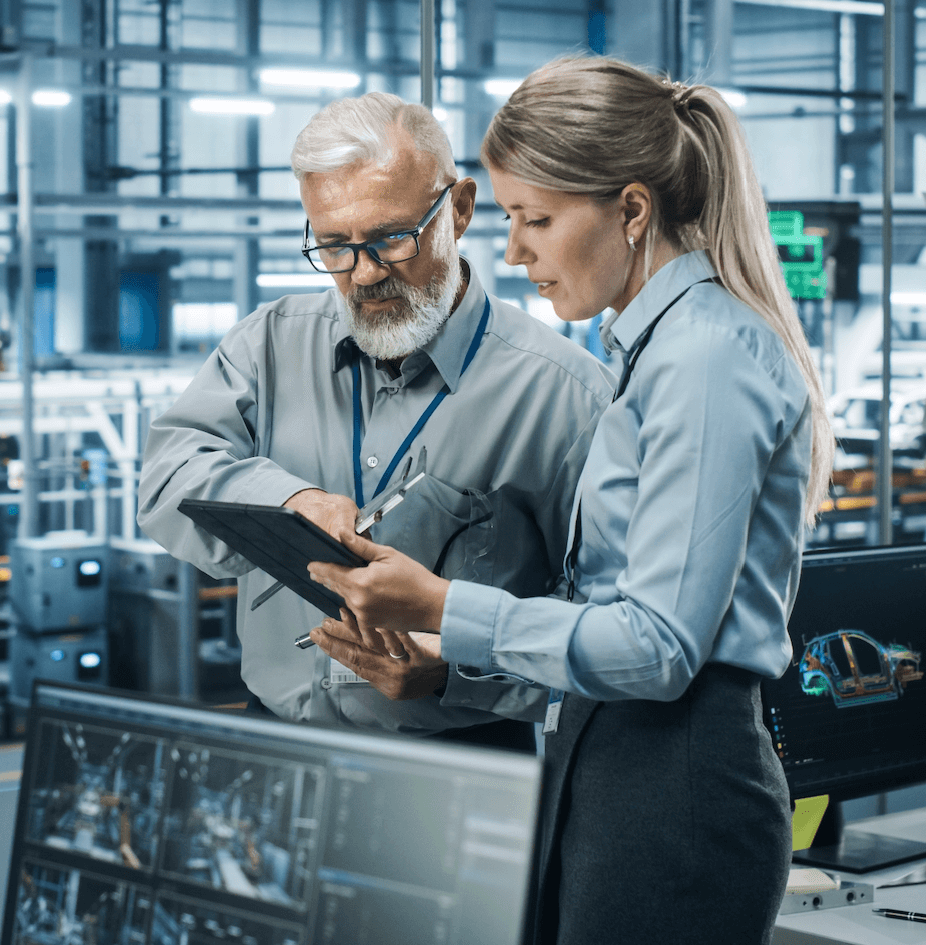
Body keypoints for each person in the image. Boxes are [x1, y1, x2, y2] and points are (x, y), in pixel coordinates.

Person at [306, 55, 832, 945]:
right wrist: (449, 660)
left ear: (630, 209)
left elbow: (660, 647)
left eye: (536, 219)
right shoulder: (653, 351)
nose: (514, 252)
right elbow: (609, 612)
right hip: (617, 762)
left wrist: (442, 603)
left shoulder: (703, 358)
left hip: (677, 786)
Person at [138, 92, 611, 744]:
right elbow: (168, 475)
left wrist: (460, 672)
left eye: (391, 239)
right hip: (276, 737)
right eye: (333, 246)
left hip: (462, 757)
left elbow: (609, 629)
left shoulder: (568, 397)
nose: (363, 274)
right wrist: (289, 502)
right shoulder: (267, 345)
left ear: (462, 209)